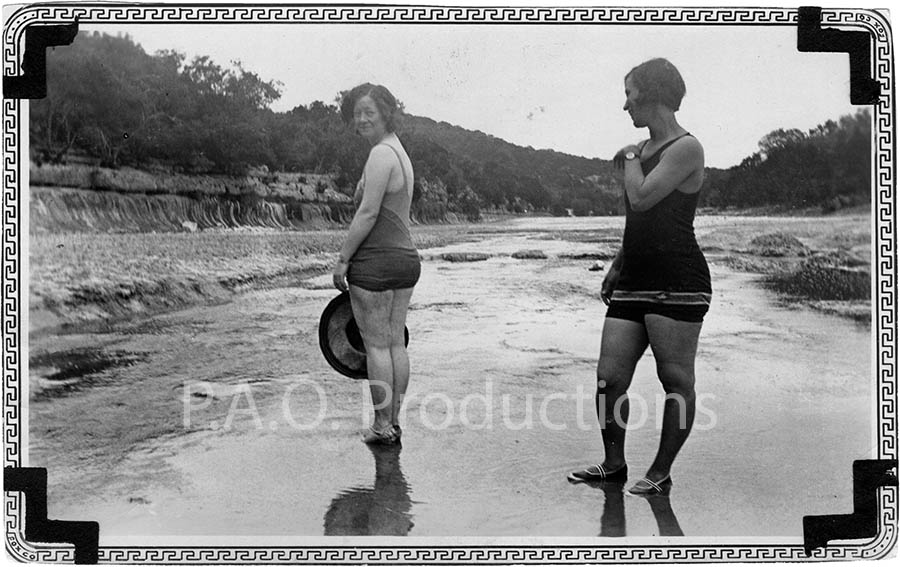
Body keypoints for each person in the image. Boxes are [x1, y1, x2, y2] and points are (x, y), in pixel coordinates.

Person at [568, 59, 711, 496]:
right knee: (608, 379)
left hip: (679, 281)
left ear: (653, 93)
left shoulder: (686, 148)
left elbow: (643, 198)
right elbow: (638, 223)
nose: (625, 103)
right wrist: (617, 265)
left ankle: (661, 471)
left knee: (676, 380)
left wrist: (630, 156)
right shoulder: (642, 152)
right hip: (635, 278)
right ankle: (614, 464)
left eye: (630, 93)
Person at [333, 83, 421, 445]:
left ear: (387, 112)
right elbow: (381, 200)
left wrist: (342, 259)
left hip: (376, 262)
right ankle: (393, 422)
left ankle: (381, 426)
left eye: (369, 112)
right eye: (357, 113)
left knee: (377, 347)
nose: (362, 119)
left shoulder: (379, 156)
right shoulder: (397, 152)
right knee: (395, 344)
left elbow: (368, 214)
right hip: (405, 259)